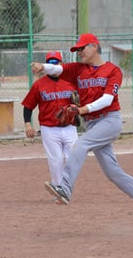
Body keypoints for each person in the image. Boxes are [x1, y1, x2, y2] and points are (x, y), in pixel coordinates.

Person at [30, 33, 133, 226]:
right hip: (92, 123)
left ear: (94, 47)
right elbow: (58, 69)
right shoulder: (78, 70)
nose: (79, 52)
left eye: (82, 48)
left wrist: (81, 109)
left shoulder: (113, 71)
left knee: (81, 144)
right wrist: (42, 67)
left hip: (109, 120)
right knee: (112, 172)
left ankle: (65, 188)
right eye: (77, 50)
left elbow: (107, 99)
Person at [22, 51, 79, 203]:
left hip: (69, 127)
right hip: (49, 128)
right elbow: (28, 106)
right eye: (51, 63)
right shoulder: (39, 85)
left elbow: (81, 103)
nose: (54, 66)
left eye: (57, 63)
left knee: (72, 158)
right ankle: (59, 190)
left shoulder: (71, 82)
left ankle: (65, 188)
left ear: (62, 64)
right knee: (56, 160)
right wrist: (28, 124)